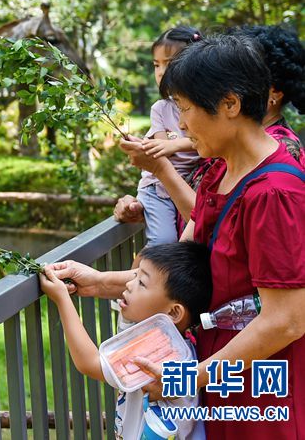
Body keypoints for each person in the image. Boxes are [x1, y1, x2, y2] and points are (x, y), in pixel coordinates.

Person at [54, 34, 305, 439]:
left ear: (230, 104)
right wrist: (97, 282)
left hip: (261, 393)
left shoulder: (275, 193)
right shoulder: (218, 173)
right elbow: (186, 265)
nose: (181, 125)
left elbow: (286, 321)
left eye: (185, 109)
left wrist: (186, 380)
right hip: (222, 373)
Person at [114, 24, 305, 224]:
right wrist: (149, 208)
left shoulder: (275, 155)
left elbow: (214, 226)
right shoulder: (228, 141)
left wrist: (161, 169)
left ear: (273, 92)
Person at [41, 242, 211, 439]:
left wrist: (62, 298)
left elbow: (90, 363)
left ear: (173, 312)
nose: (129, 285)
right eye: (135, 277)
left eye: (141, 283)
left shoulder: (159, 350)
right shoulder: (177, 343)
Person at [134, 26, 202, 246]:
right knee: (163, 242)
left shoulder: (206, 108)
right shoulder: (160, 108)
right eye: (156, 65)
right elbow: (163, 148)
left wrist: (174, 145)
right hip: (159, 189)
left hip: (185, 186)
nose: (161, 71)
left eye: (169, 63)